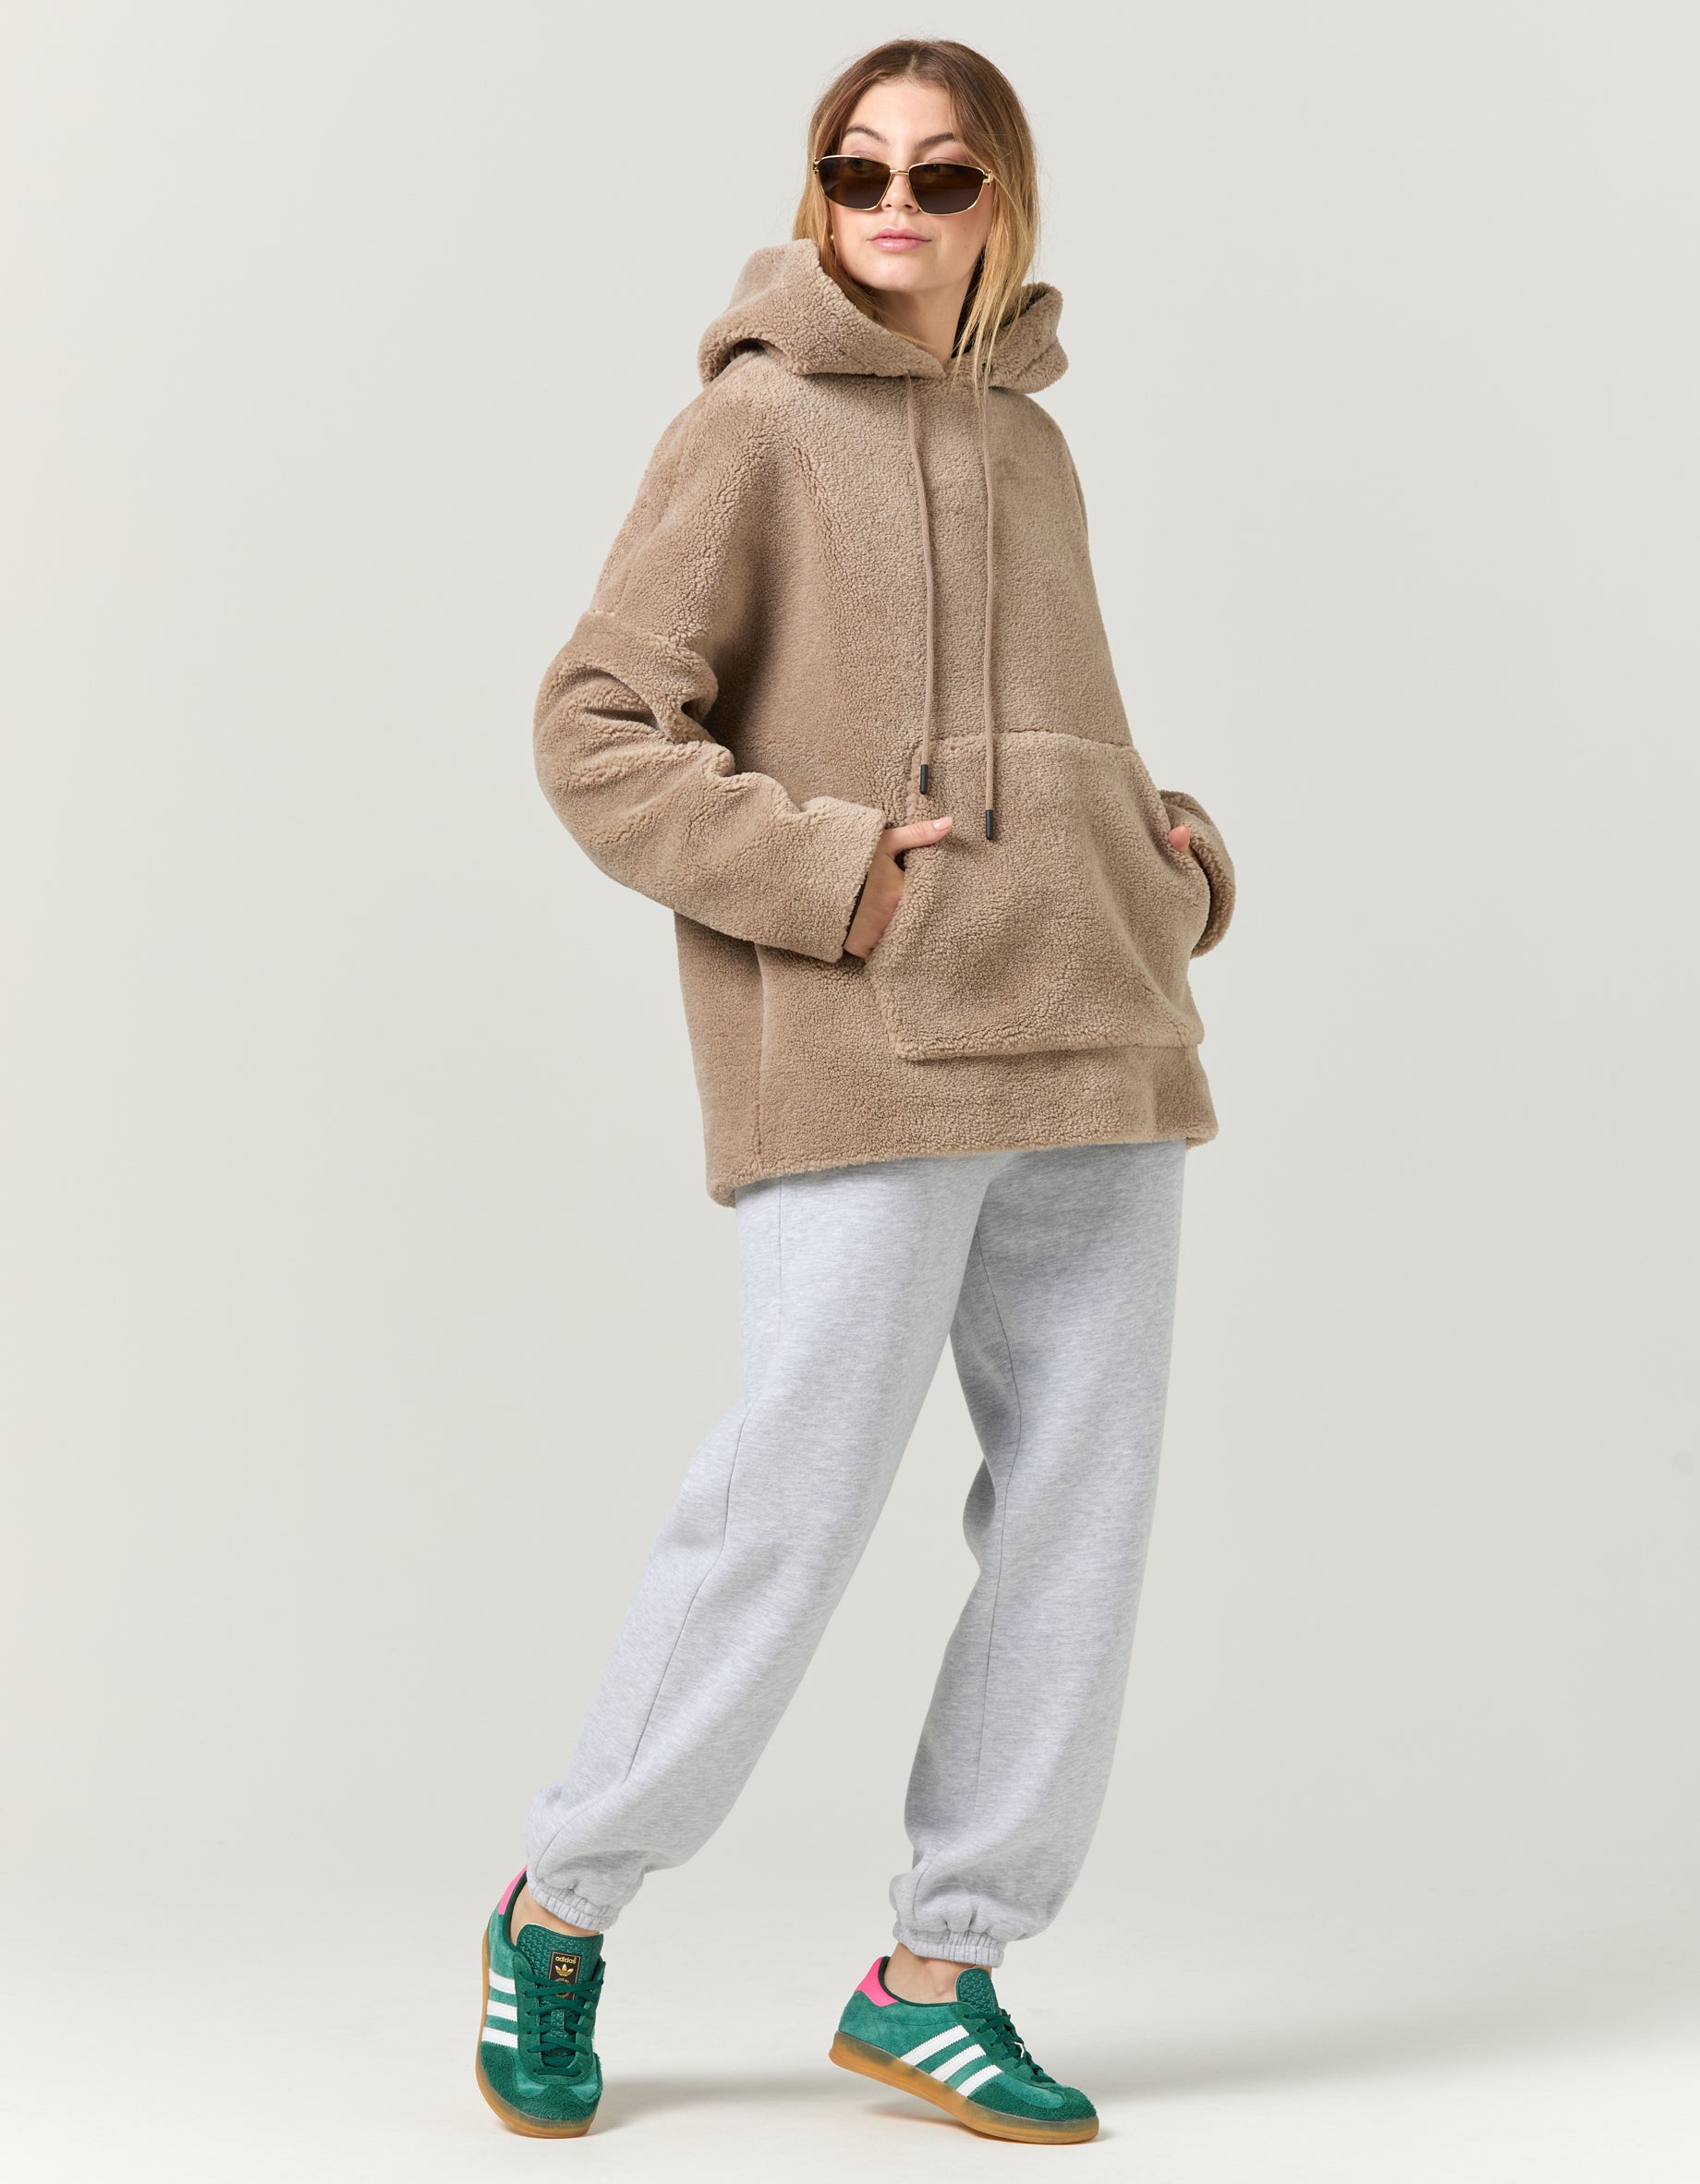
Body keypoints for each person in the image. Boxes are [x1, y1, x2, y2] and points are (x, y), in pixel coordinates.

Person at [475, 38, 1236, 2147]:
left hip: (1096, 1034)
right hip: (867, 1047)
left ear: (1005, 201)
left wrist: (1168, 862)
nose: (894, 205)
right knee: (789, 1506)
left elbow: (1059, 740)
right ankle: (562, 1903)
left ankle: (940, 1970)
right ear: (815, 191)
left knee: (1077, 1519)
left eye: (941, 174)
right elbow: (594, 728)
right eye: (858, 167)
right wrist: (829, 878)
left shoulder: (1032, 449)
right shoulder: (750, 424)